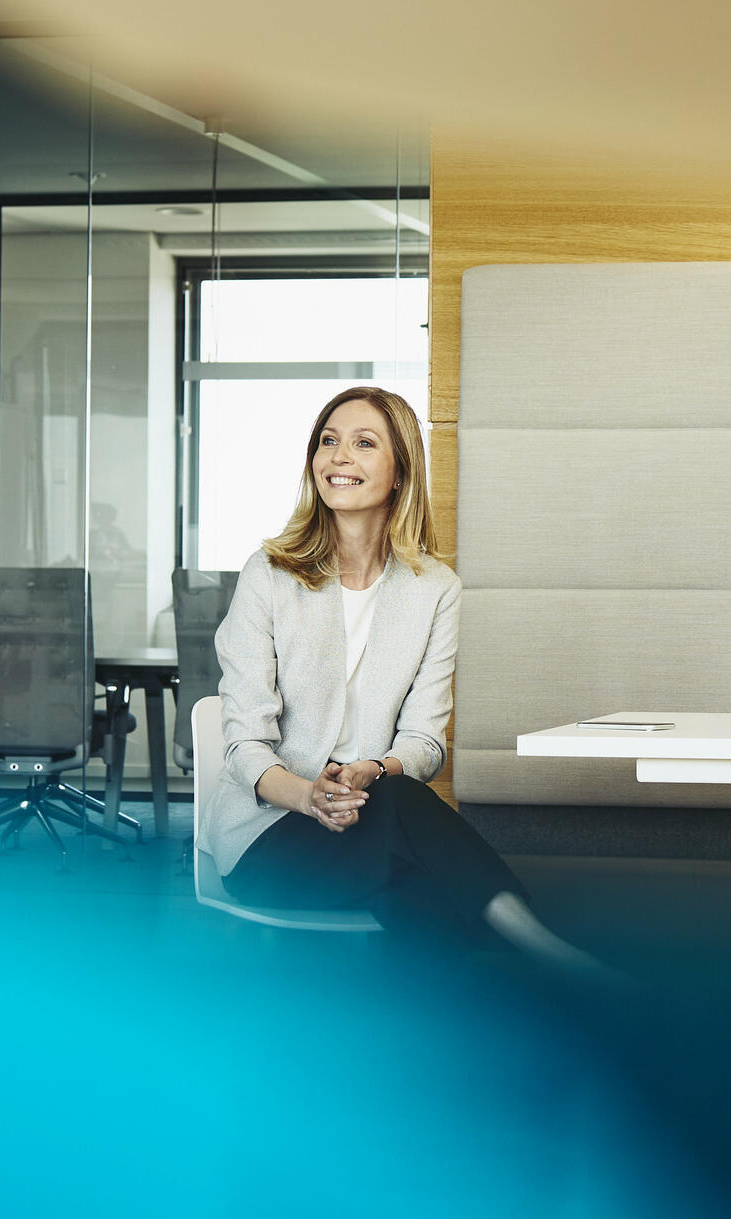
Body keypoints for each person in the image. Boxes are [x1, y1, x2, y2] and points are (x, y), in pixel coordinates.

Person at [208, 384, 606, 976]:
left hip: (374, 826)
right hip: (271, 835)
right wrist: (311, 797)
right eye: (328, 442)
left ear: (399, 472)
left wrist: (375, 769)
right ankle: (559, 961)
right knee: (407, 835)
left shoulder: (434, 589)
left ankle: (449, 1027)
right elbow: (243, 742)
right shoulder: (269, 575)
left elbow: (423, 741)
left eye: (363, 443)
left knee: (408, 883)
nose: (337, 457)